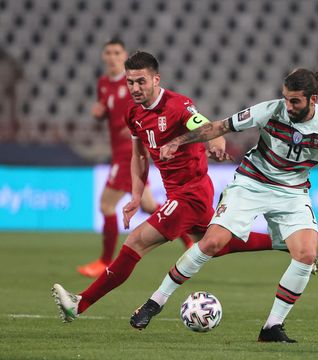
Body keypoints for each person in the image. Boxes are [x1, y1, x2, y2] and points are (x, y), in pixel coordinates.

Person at [129, 68, 318, 343]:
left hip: (292, 192)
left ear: (313, 99)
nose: (287, 106)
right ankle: (155, 302)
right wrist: (178, 140)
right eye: (285, 99)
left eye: (295, 101)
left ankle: (272, 327)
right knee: (211, 243)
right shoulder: (270, 110)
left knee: (306, 255)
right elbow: (219, 126)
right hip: (251, 182)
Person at [51, 51, 277, 323]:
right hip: (177, 192)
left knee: (135, 242)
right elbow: (139, 156)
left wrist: (214, 146)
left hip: (191, 193)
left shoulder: (178, 106)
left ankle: (80, 303)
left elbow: (209, 130)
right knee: (214, 244)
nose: (135, 88)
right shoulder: (133, 113)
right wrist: (136, 195)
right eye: (130, 82)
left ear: (156, 79)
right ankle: (285, 241)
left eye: (141, 81)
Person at [77, 38, 167, 278]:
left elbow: (147, 109)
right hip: (117, 150)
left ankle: (104, 261)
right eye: (108, 52)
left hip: (129, 152)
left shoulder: (135, 86)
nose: (112, 56)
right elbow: (107, 110)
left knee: (106, 205)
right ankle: (187, 234)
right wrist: (100, 113)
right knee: (149, 206)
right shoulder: (104, 83)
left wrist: (136, 130)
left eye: (117, 52)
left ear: (124, 55)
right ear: (103, 56)